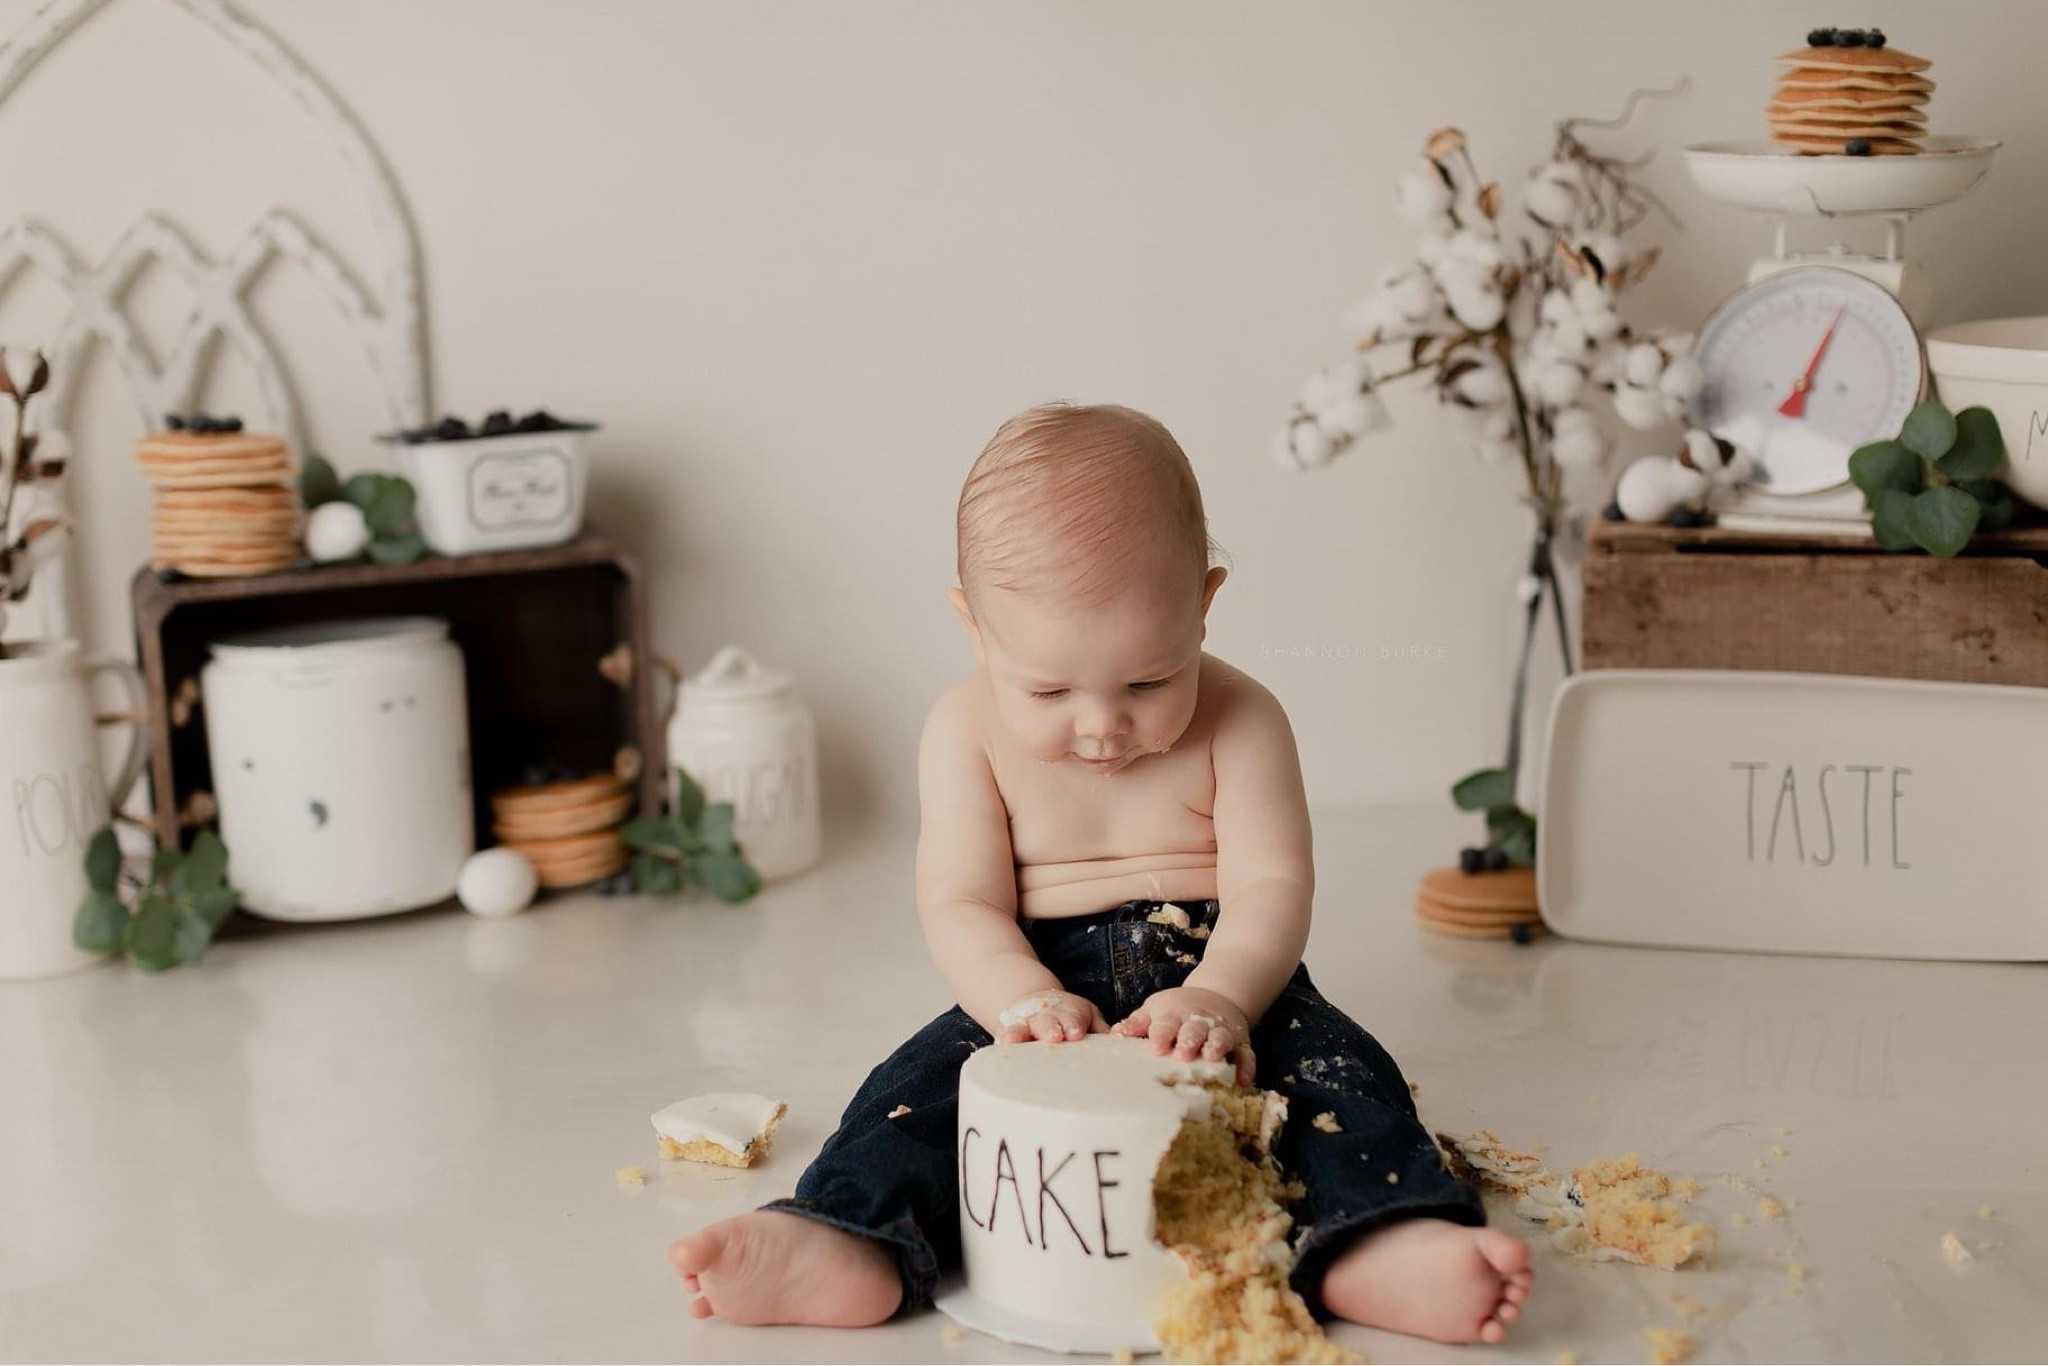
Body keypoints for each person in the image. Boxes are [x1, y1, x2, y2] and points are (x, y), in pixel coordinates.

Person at [670, 403, 1531, 1344]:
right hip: (1038, 980)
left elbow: (1272, 889)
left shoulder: (1245, 720)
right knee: (912, 1097)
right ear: (974, 627)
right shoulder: (963, 731)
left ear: (1203, 603)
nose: (1101, 725)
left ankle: (1383, 1238)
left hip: (1225, 969)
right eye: (1047, 690)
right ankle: (848, 1236)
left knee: (1342, 1082)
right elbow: (959, 900)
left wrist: (1223, 999)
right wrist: (1018, 999)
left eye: (1150, 681)